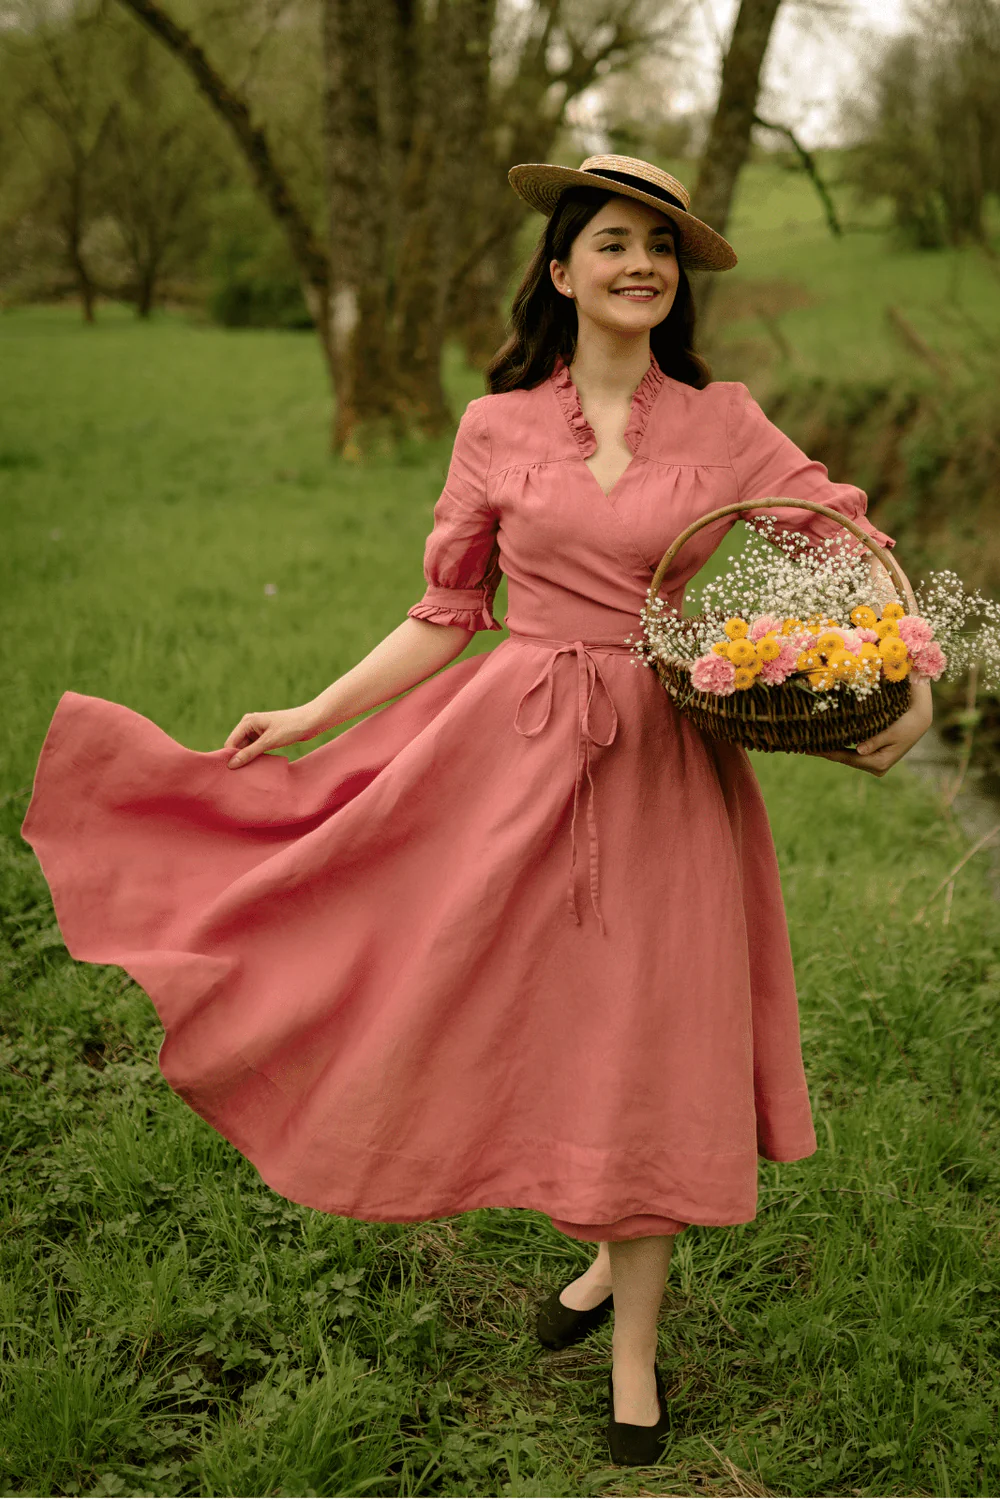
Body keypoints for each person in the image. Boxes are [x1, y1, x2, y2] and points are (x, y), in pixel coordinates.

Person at [21, 154, 932, 1467]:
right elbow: (446, 615)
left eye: (661, 251)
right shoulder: (494, 427)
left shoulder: (725, 420)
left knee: (649, 1035)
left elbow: (836, 538)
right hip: (502, 761)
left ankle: (630, 1353)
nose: (641, 266)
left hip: (668, 765)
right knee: (499, 1000)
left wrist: (900, 675)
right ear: (559, 270)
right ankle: (594, 1264)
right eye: (614, 242)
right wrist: (311, 714)